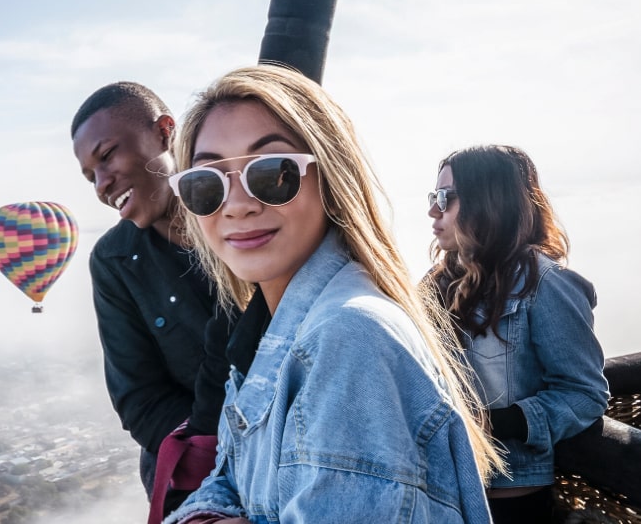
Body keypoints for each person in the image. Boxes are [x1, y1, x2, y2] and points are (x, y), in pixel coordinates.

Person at [162, 64, 505, 523]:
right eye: (206, 184)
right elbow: (229, 476)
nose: (238, 205)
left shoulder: (346, 337)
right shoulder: (271, 327)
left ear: (331, 176)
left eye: (274, 173)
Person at [70, 82, 236, 516]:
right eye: (90, 176)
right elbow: (139, 400)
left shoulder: (245, 214)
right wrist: (216, 446)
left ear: (165, 131)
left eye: (107, 156)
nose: (102, 185)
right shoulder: (113, 261)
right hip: (195, 474)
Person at [424, 145, 609, 524]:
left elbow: (585, 394)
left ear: (488, 202)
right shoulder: (437, 283)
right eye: (434, 197)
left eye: (446, 198)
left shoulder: (547, 285)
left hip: (509, 500)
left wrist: (496, 423)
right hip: (440, 490)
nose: (433, 211)